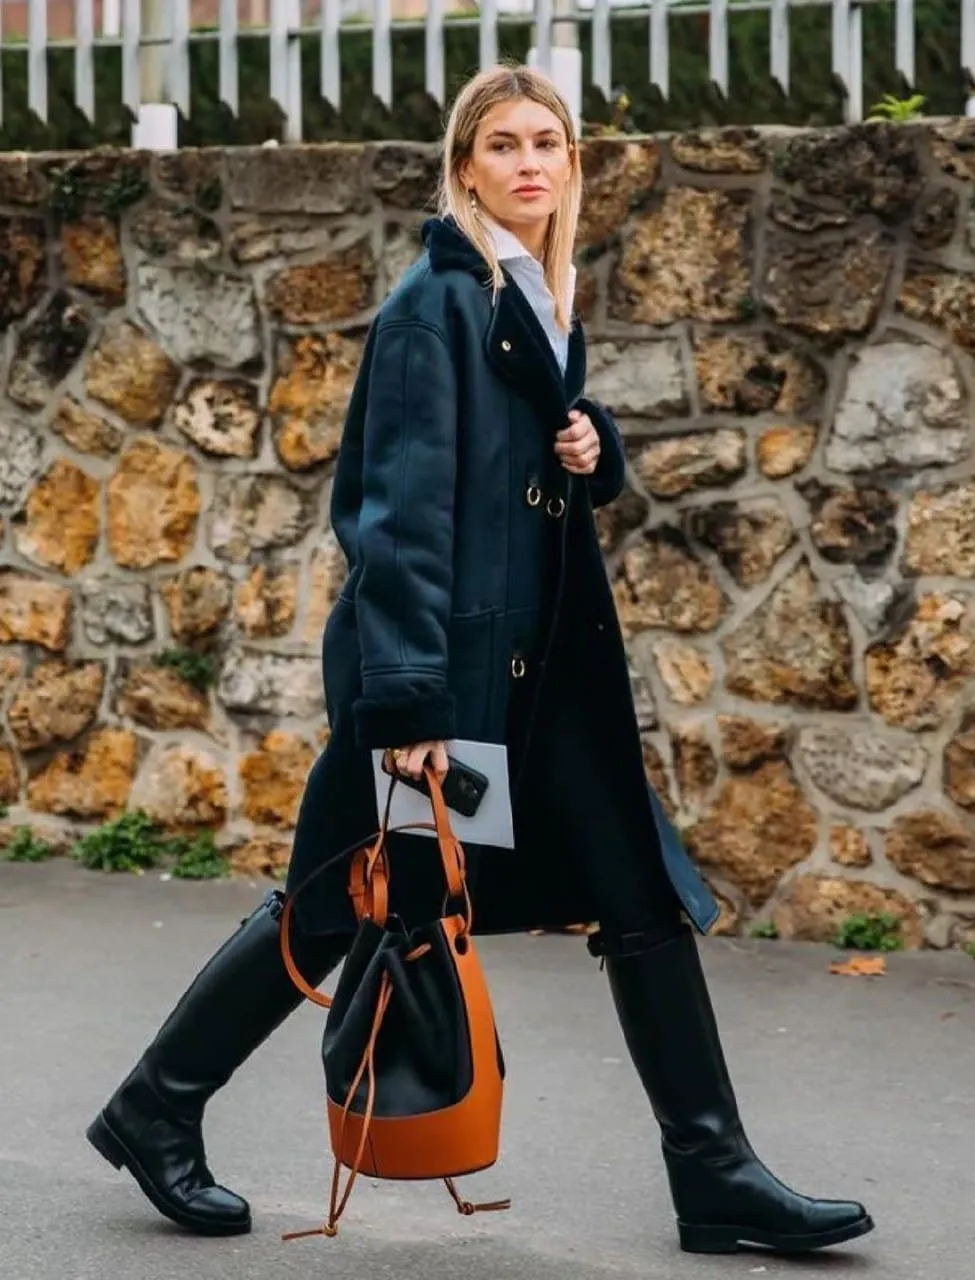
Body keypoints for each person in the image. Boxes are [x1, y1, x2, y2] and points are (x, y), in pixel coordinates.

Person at [86, 64, 875, 1257]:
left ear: (570, 164)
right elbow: (397, 518)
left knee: (638, 892)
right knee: (337, 899)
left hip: (539, 674)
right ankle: (158, 1103)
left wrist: (593, 446)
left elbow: (522, 472)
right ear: (464, 166)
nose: (527, 162)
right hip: (444, 683)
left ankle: (713, 1170)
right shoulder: (435, 305)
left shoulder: (533, 295)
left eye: (546, 142)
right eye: (501, 143)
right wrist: (407, 701)